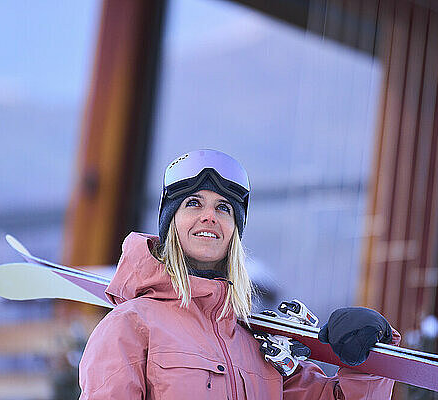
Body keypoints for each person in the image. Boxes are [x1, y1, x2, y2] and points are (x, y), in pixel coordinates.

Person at [79, 149, 400, 399]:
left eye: (223, 208)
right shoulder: (131, 325)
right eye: (193, 203)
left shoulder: (257, 340)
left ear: (235, 230)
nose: (209, 216)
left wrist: (368, 361)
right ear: (170, 222)